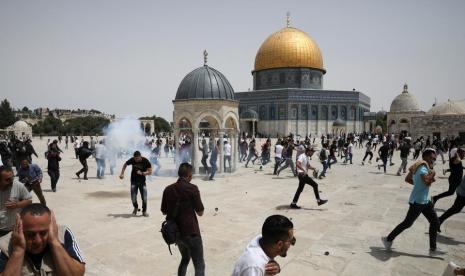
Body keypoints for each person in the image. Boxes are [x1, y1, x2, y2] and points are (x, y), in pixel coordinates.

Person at [382, 148, 442, 255]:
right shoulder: (423, 168)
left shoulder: (418, 165)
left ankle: (433, 248)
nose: (434, 159)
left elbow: (408, 179)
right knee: (407, 223)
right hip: (418, 202)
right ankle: (388, 239)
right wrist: (432, 174)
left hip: (426, 201)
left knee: (435, 222)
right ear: (427, 157)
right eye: (433, 158)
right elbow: (427, 181)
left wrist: (418, 185)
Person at [0, 203, 85, 275]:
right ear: (19, 227)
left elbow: (78, 273)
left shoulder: (63, 233)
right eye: (30, 234)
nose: (38, 241)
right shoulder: (4, 244)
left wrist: (55, 242)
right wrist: (18, 251)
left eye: (43, 233)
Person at [161, 163, 205, 276]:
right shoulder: (193, 189)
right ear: (189, 175)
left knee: (185, 258)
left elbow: (164, 211)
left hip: (176, 233)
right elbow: (200, 212)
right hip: (191, 232)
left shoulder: (168, 189)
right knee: (199, 264)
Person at [0, 166, 32, 237]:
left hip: (15, 228)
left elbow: (29, 200)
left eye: (12, 177)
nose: (11, 181)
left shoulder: (17, 185)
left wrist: (17, 204)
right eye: (7, 180)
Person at [120, 151, 152, 217]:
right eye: (135, 158)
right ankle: (135, 207)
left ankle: (144, 211)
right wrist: (122, 173)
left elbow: (150, 171)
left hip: (142, 182)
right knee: (133, 197)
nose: (136, 160)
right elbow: (125, 164)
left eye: (137, 158)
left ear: (140, 156)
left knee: (144, 197)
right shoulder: (132, 159)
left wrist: (143, 173)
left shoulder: (145, 161)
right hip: (133, 181)